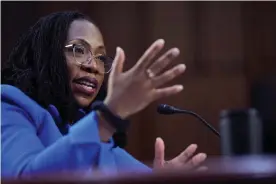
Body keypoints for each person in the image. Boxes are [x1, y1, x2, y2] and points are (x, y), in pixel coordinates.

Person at [1, 11, 207, 178]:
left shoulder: (92, 131)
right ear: (47, 55)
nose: (94, 67)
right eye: (79, 50)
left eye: (100, 57)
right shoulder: (10, 105)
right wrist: (108, 117)